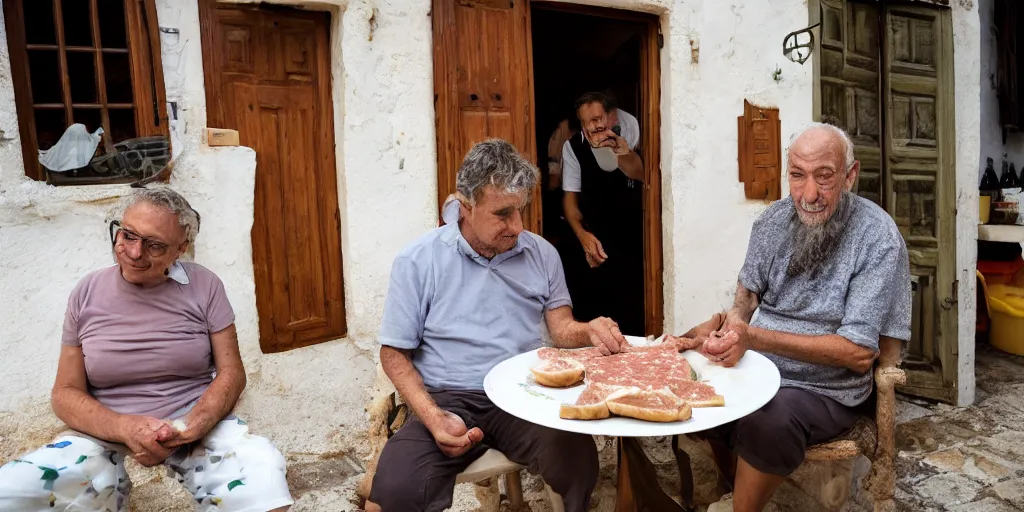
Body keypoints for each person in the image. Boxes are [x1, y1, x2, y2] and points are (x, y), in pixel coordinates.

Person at [366, 138, 626, 512]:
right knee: (395, 490)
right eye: (503, 214)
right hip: (448, 397)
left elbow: (561, 329)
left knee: (577, 457)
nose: (518, 226)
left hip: (523, 394)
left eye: (521, 211)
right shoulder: (418, 260)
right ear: (466, 206)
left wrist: (589, 330)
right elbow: (394, 353)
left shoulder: (542, 254)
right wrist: (433, 416)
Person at [0, 187, 292, 512]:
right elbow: (65, 392)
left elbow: (232, 372)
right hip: (107, 429)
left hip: (191, 421)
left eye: (154, 245)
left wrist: (197, 423)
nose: (135, 253)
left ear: (180, 249)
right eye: (128, 235)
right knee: (12, 491)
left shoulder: (205, 286)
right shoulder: (86, 292)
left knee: (262, 476)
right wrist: (124, 427)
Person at [684, 123, 912, 512]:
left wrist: (753, 338)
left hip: (825, 388)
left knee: (767, 422)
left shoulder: (876, 236)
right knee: (698, 395)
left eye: (824, 177)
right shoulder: (772, 222)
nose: (809, 195)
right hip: (757, 367)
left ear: (849, 175)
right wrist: (733, 325)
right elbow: (746, 296)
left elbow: (858, 353)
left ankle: (742, 508)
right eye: (798, 176)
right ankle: (732, 486)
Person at [561, 91, 646, 335]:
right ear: (582, 125)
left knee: (631, 312)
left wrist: (622, 153)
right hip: (594, 237)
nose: (598, 125)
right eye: (591, 121)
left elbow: (642, 175)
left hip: (630, 237)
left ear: (611, 116)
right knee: (594, 311)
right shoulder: (573, 148)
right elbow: (570, 201)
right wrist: (582, 236)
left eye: (601, 118)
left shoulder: (628, 134)